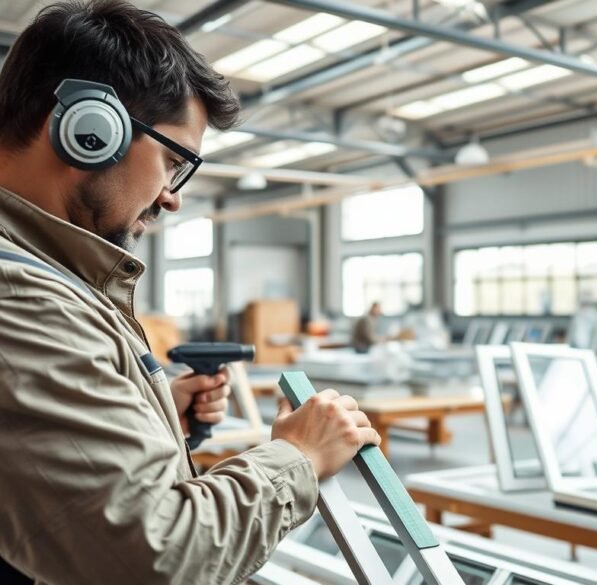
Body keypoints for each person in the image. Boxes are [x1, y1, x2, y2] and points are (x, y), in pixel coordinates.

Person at [0, 2, 380, 583]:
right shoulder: (22, 296)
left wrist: (145, 411)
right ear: (89, 132)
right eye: (174, 161)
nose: (173, 196)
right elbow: (153, 556)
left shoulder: (48, 272)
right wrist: (299, 456)